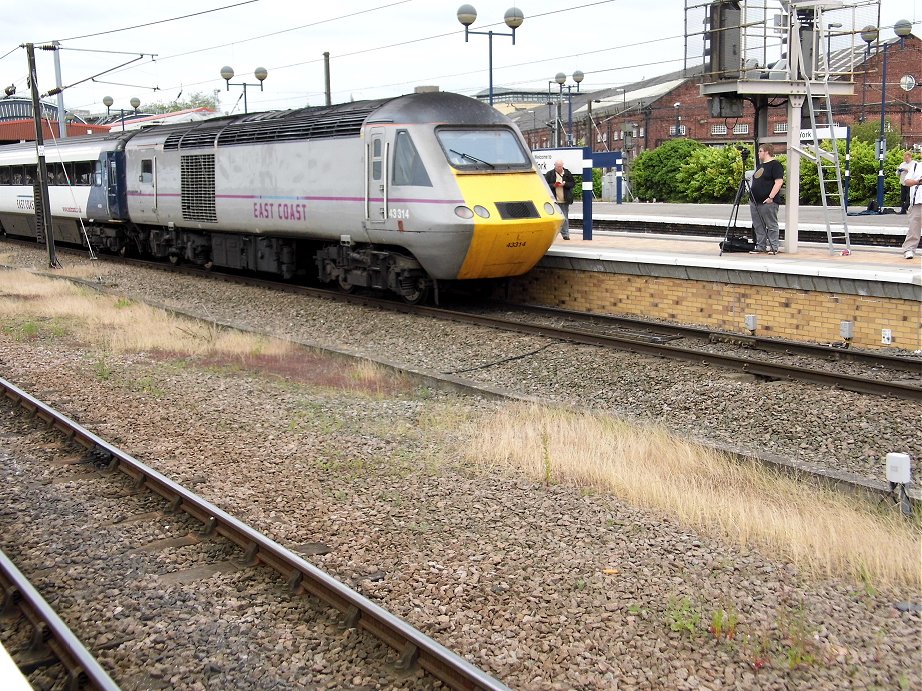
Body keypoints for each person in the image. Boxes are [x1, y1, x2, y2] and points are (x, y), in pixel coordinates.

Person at [748, 143, 785, 255]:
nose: (758, 153)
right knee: (758, 225)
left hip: (768, 201)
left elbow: (778, 182)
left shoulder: (775, 165)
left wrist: (771, 197)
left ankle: (774, 247)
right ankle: (760, 246)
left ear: (767, 152)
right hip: (755, 201)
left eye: (760, 151)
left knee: (771, 224)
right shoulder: (760, 166)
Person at [545, 160, 575, 240]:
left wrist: (565, 184)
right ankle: (552, 234)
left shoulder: (567, 173)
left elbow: (572, 183)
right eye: (557, 166)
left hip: (564, 199)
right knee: (553, 219)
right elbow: (545, 185)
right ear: (555, 166)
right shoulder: (549, 174)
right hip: (553, 200)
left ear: (562, 166)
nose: (559, 168)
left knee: (565, 218)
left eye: (560, 166)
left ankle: (566, 235)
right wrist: (554, 185)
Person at [900, 155, 922, 259]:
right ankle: (909, 249)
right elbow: (906, 181)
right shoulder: (916, 166)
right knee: (914, 227)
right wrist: (918, 182)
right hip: (918, 202)